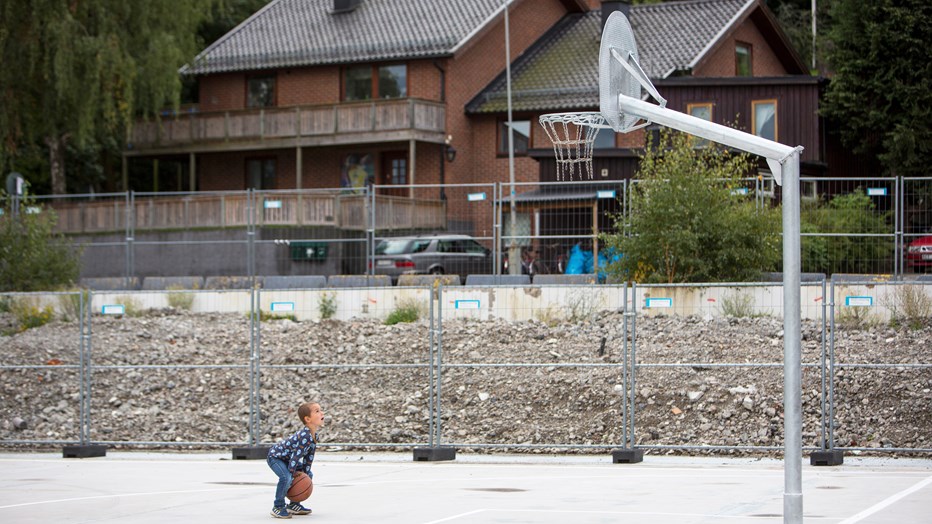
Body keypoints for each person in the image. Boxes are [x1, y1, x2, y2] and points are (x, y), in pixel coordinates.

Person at [267, 402, 325, 519]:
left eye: (321, 410)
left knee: (308, 474)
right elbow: (296, 457)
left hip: (287, 459)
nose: (322, 413)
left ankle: (294, 505)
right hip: (275, 457)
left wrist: (305, 472)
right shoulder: (305, 436)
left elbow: (309, 457)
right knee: (286, 477)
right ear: (308, 419)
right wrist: (293, 474)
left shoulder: (314, 436)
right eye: (317, 411)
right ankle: (278, 506)